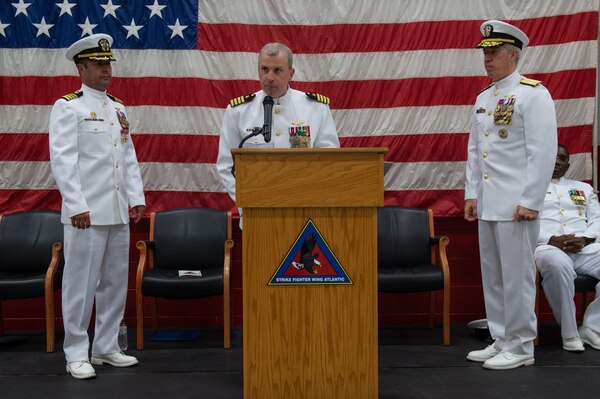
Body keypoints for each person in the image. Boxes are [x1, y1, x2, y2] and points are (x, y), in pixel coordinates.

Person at [49, 33, 146, 380]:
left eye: (108, 64)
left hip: (116, 209)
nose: (107, 70)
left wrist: (135, 197)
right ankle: (76, 351)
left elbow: (127, 156)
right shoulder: (68, 106)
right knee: (80, 283)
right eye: (99, 64)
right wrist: (75, 204)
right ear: (81, 67)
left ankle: (105, 346)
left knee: (114, 283)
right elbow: (63, 160)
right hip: (85, 213)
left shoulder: (117, 107)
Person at [464, 20, 557, 370]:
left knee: (517, 278)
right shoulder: (484, 98)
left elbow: (542, 151)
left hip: (518, 205)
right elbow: (476, 150)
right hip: (489, 202)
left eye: (494, 52)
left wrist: (531, 200)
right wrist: (472, 194)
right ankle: (501, 337)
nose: (487, 58)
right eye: (485, 52)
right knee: (495, 276)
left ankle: (520, 346)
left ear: (513, 55)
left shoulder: (533, 94)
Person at [216, 42, 340, 205]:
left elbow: (329, 159)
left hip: (303, 206)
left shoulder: (315, 108)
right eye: (265, 69)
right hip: (256, 210)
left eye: (277, 71)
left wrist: (311, 197)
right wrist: (248, 201)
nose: (269, 77)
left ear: (291, 73)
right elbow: (226, 166)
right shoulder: (238, 111)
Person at [535, 144, 600, 352]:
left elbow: (597, 220)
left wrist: (586, 239)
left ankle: (591, 327)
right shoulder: (530, 189)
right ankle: (569, 333)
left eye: (562, 158)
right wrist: (551, 239)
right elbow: (521, 224)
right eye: (553, 157)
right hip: (548, 248)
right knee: (558, 265)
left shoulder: (584, 188)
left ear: (567, 164)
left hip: (584, 249)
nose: (557, 161)